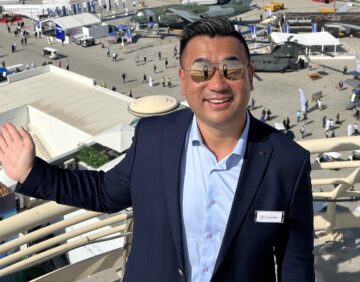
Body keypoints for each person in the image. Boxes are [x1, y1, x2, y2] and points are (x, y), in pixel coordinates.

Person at [0, 16, 314, 282]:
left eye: (231, 70)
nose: (217, 84)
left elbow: (295, 261)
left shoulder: (288, 162)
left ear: (249, 76)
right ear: (182, 80)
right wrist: (32, 172)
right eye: (201, 72)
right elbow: (105, 192)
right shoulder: (155, 137)